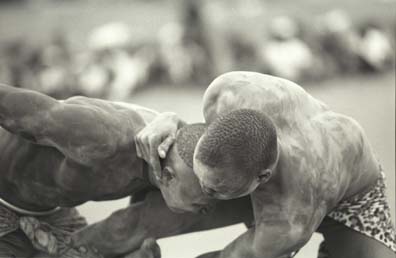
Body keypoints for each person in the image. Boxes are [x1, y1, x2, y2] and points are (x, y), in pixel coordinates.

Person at [139, 71, 395, 258]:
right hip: (303, 170)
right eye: (201, 177)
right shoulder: (225, 94)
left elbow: (230, 257)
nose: (204, 191)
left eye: (215, 190)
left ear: (262, 178)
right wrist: (173, 122)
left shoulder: (289, 220)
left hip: (351, 204)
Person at [0, 83, 231, 257]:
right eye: (206, 194)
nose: (210, 205)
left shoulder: (169, 160)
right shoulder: (102, 136)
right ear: (168, 176)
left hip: (51, 213)